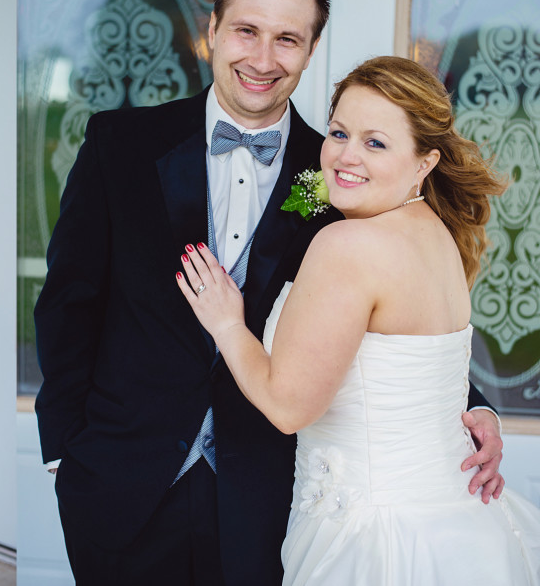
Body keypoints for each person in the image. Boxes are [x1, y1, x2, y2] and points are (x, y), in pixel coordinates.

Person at [34, 0, 505, 585]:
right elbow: (69, 300)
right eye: (247, 31)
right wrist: (64, 451)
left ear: (311, 50)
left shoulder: (339, 173)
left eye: (287, 39)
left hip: (266, 497)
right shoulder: (121, 144)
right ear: (212, 32)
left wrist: (469, 407)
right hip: (121, 481)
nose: (262, 59)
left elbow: (390, 319)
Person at [178, 55, 540, 584]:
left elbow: (287, 407)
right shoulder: (439, 234)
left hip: (370, 538)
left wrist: (228, 324)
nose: (345, 157)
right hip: (457, 523)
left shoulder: (348, 245)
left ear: (425, 162)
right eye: (338, 132)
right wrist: (483, 412)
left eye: (376, 142)